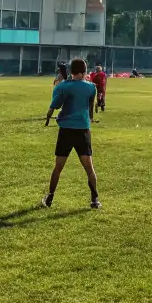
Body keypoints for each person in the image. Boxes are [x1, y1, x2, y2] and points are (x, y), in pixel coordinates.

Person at [40, 57, 101, 210]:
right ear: (84, 71)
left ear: (71, 71)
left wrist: (48, 116)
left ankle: (50, 198)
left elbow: (55, 105)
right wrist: (91, 119)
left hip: (66, 130)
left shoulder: (63, 87)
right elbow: (91, 106)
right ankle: (95, 200)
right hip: (83, 130)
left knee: (58, 167)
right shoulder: (91, 87)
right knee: (89, 167)